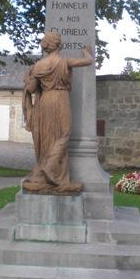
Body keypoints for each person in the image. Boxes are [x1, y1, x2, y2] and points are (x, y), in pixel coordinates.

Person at [22, 31, 93, 194]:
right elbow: (88, 61)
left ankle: (46, 169)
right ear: (58, 44)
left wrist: (28, 78)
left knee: (47, 136)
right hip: (60, 98)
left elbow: (32, 89)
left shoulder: (38, 66)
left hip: (45, 101)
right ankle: (50, 166)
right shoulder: (64, 61)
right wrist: (86, 52)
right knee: (64, 134)